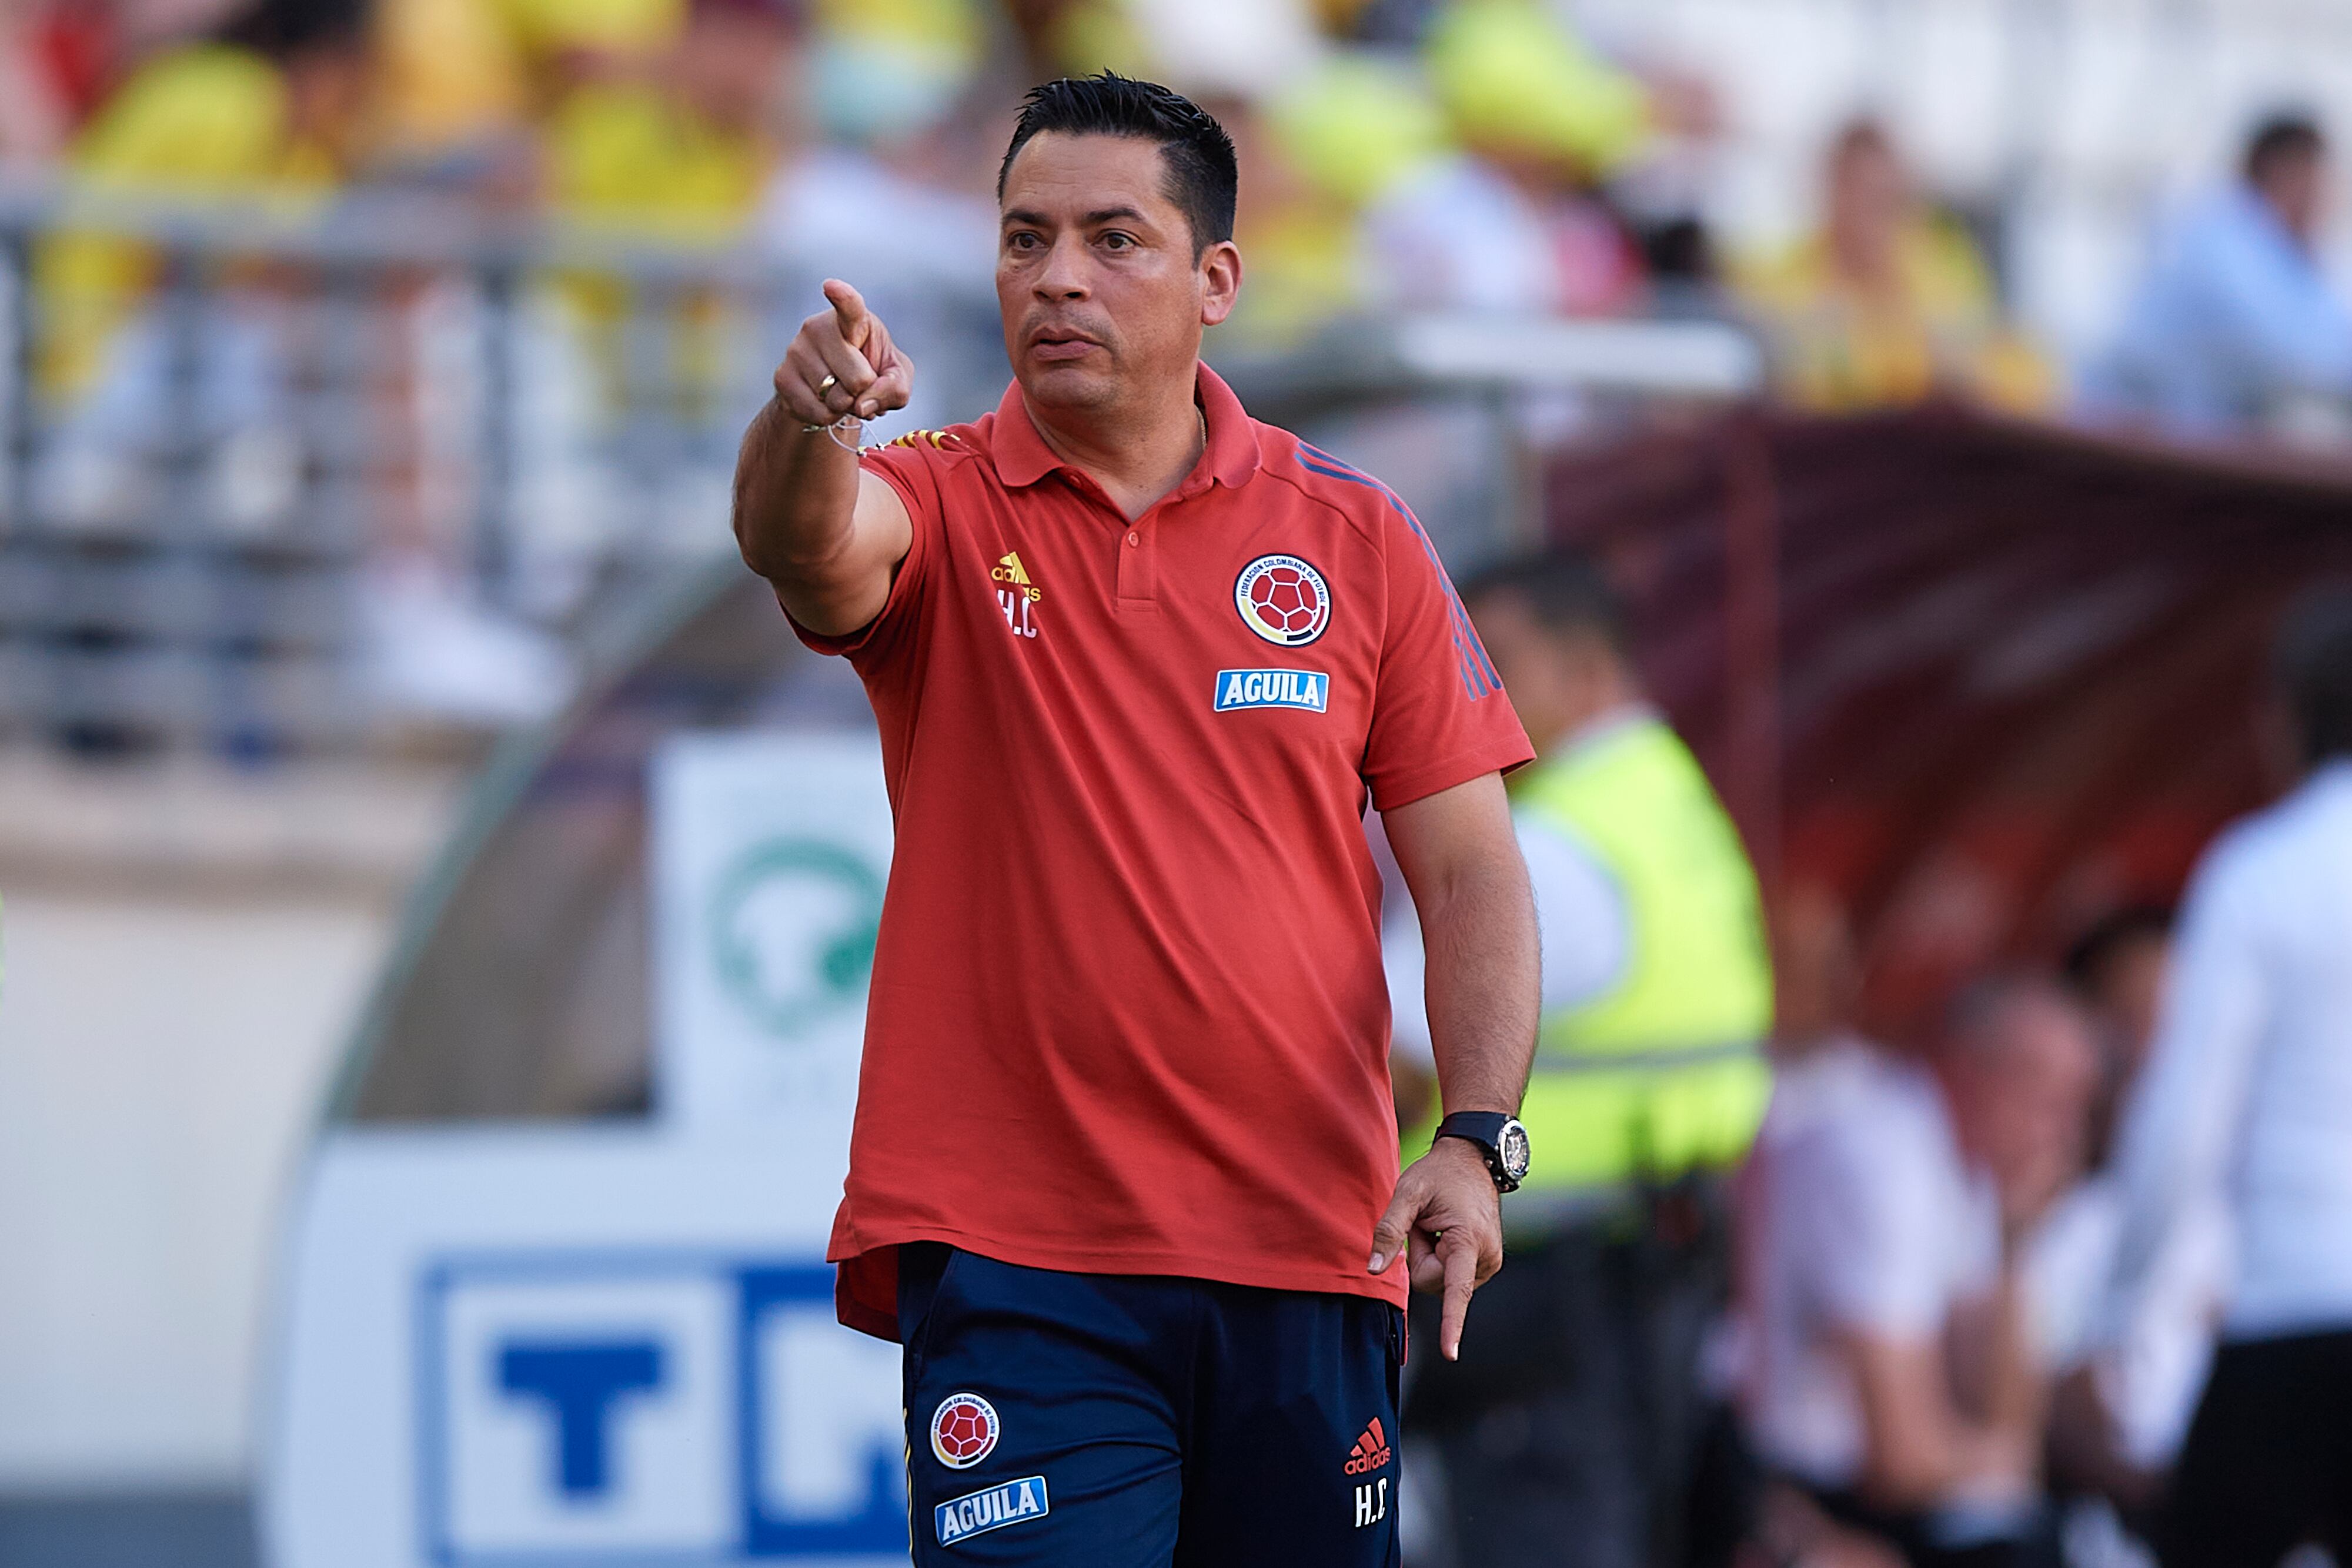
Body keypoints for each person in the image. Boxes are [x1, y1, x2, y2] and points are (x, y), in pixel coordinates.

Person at [729, 72, 1540, 1566]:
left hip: (1311, 1249)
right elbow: (805, 546)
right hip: (1026, 1268)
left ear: (1216, 278)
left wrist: (1478, 1135)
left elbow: (1472, 863)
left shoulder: (1354, 539)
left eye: (1114, 240)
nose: (1057, 278)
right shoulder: (941, 500)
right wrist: (801, 428)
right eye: (1025, 238)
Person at [1386, 551, 1772, 1568]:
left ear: (1588, 670)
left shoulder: (1552, 841)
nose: (1468, 684)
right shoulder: (1666, 806)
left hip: (1538, 1288)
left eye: (1496, 659)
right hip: (1644, 1258)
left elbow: (1387, 1055)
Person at [2103, 589, 2352, 1567]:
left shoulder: (2261, 871)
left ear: (2282, 719)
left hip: (2291, 1314)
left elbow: (2181, 1126)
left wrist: (2118, 1309)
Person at [1742, 976, 2097, 1568]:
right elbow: (1900, 1461)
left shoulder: (1978, 1172)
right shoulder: (1886, 1161)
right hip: (1781, 1488)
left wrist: (2017, 1247)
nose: (2059, 1131)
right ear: (1966, 1069)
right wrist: (1995, 1457)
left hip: (1863, 1496)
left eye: (2075, 1103)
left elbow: (1996, 1414)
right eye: (2041, 1091)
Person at [1737, 118, 2046, 413]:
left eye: (1882, 198)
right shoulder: (1780, 274)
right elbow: (1782, 372)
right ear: (1828, 189)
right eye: (1854, 192)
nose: (1866, 214)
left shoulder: (1943, 269)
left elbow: (2015, 372)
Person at [2082, 114, 2352, 437]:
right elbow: (2293, 350)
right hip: (2127, 444)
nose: (2326, 199)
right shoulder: (2220, 236)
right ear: (2281, 171)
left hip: (2178, 445)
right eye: (2317, 180)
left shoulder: (2285, 256)